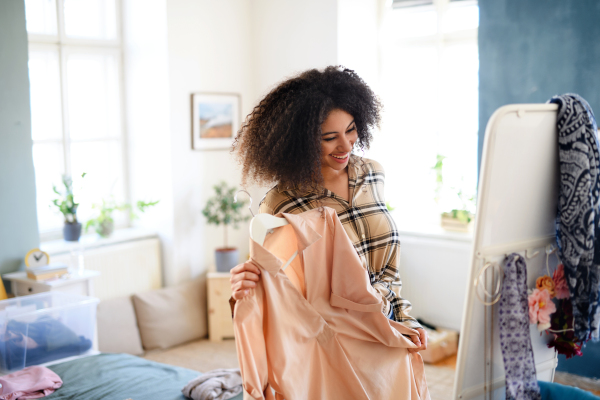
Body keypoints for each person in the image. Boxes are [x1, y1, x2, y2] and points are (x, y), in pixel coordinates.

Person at [229, 65, 427, 352]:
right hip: (334, 343)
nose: (345, 145)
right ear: (302, 141)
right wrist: (240, 289)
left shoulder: (373, 173)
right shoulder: (281, 204)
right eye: (329, 137)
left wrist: (406, 317)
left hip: (389, 326)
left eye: (351, 130)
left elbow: (387, 270)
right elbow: (272, 291)